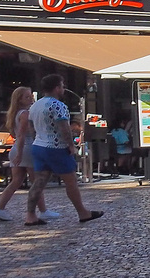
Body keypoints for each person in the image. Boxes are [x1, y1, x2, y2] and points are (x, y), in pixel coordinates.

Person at [22, 74, 102, 226]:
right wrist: (71, 145)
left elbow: (31, 128)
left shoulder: (35, 106)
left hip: (39, 145)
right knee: (70, 181)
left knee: (39, 182)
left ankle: (30, 215)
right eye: (62, 85)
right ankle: (82, 212)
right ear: (57, 88)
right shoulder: (58, 105)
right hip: (56, 147)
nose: (63, 88)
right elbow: (64, 127)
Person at [0, 86, 55, 223]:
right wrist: (19, 153)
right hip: (26, 149)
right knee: (36, 181)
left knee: (16, 181)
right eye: (27, 96)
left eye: (31, 95)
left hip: (18, 148)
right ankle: (43, 211)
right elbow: (21, 135)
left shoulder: (15, 114)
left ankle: (0, 209)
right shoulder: (25, 114)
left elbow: (16, 135)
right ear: (20, 100)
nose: (31, 98)